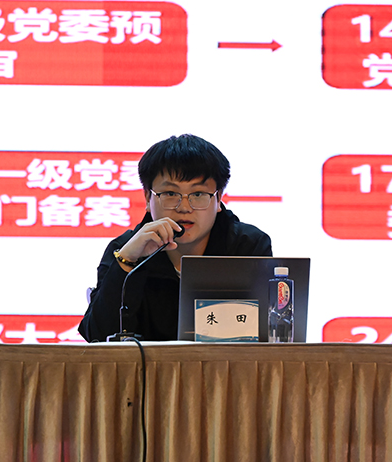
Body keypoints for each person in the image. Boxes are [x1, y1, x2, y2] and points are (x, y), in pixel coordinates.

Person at [79, 134, 272, 342]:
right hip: (145, 364)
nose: (184, 208)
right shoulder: (126, 249)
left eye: (198, 194)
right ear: (148, 198)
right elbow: (97, 338)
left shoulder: (247, 246)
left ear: (218, 198)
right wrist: (126, 262)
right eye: (171, 193)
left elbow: (266, 335)